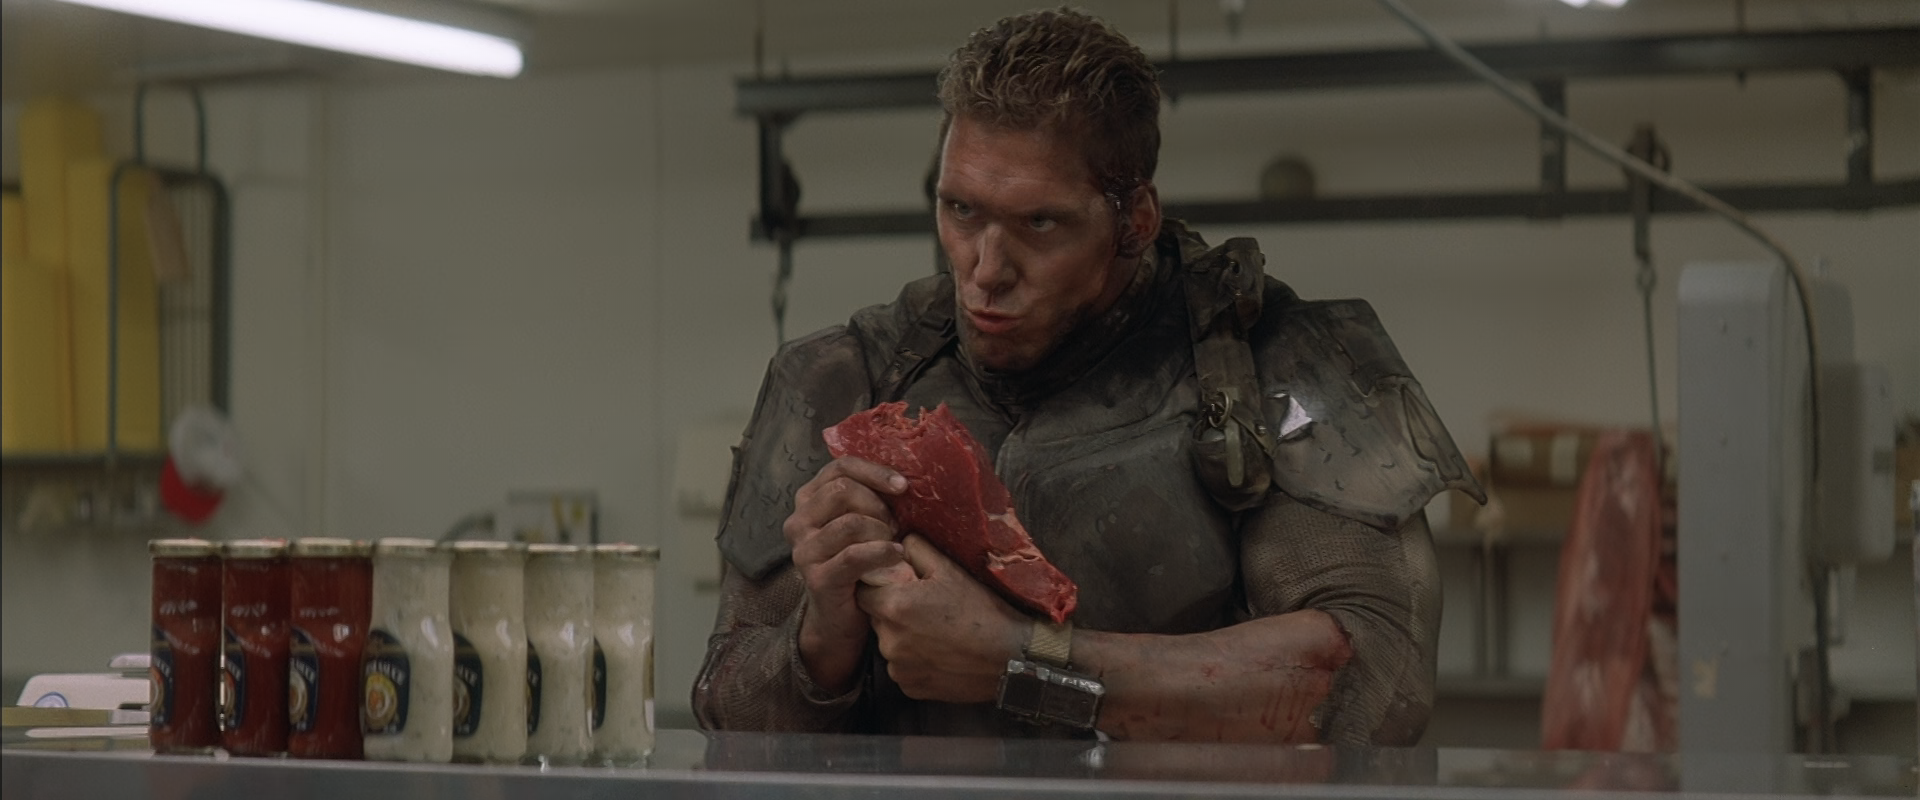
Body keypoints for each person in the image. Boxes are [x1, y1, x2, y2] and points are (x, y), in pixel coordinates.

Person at [692, 7, 1482, 745]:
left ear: (1135, 221)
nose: (985, 271)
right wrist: (821, 640)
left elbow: (1377, 688)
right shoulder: (845, 376)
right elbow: (725, 710)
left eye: (1040, 222)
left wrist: (1023, 662)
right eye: (961, 211)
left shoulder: (1270, 362)